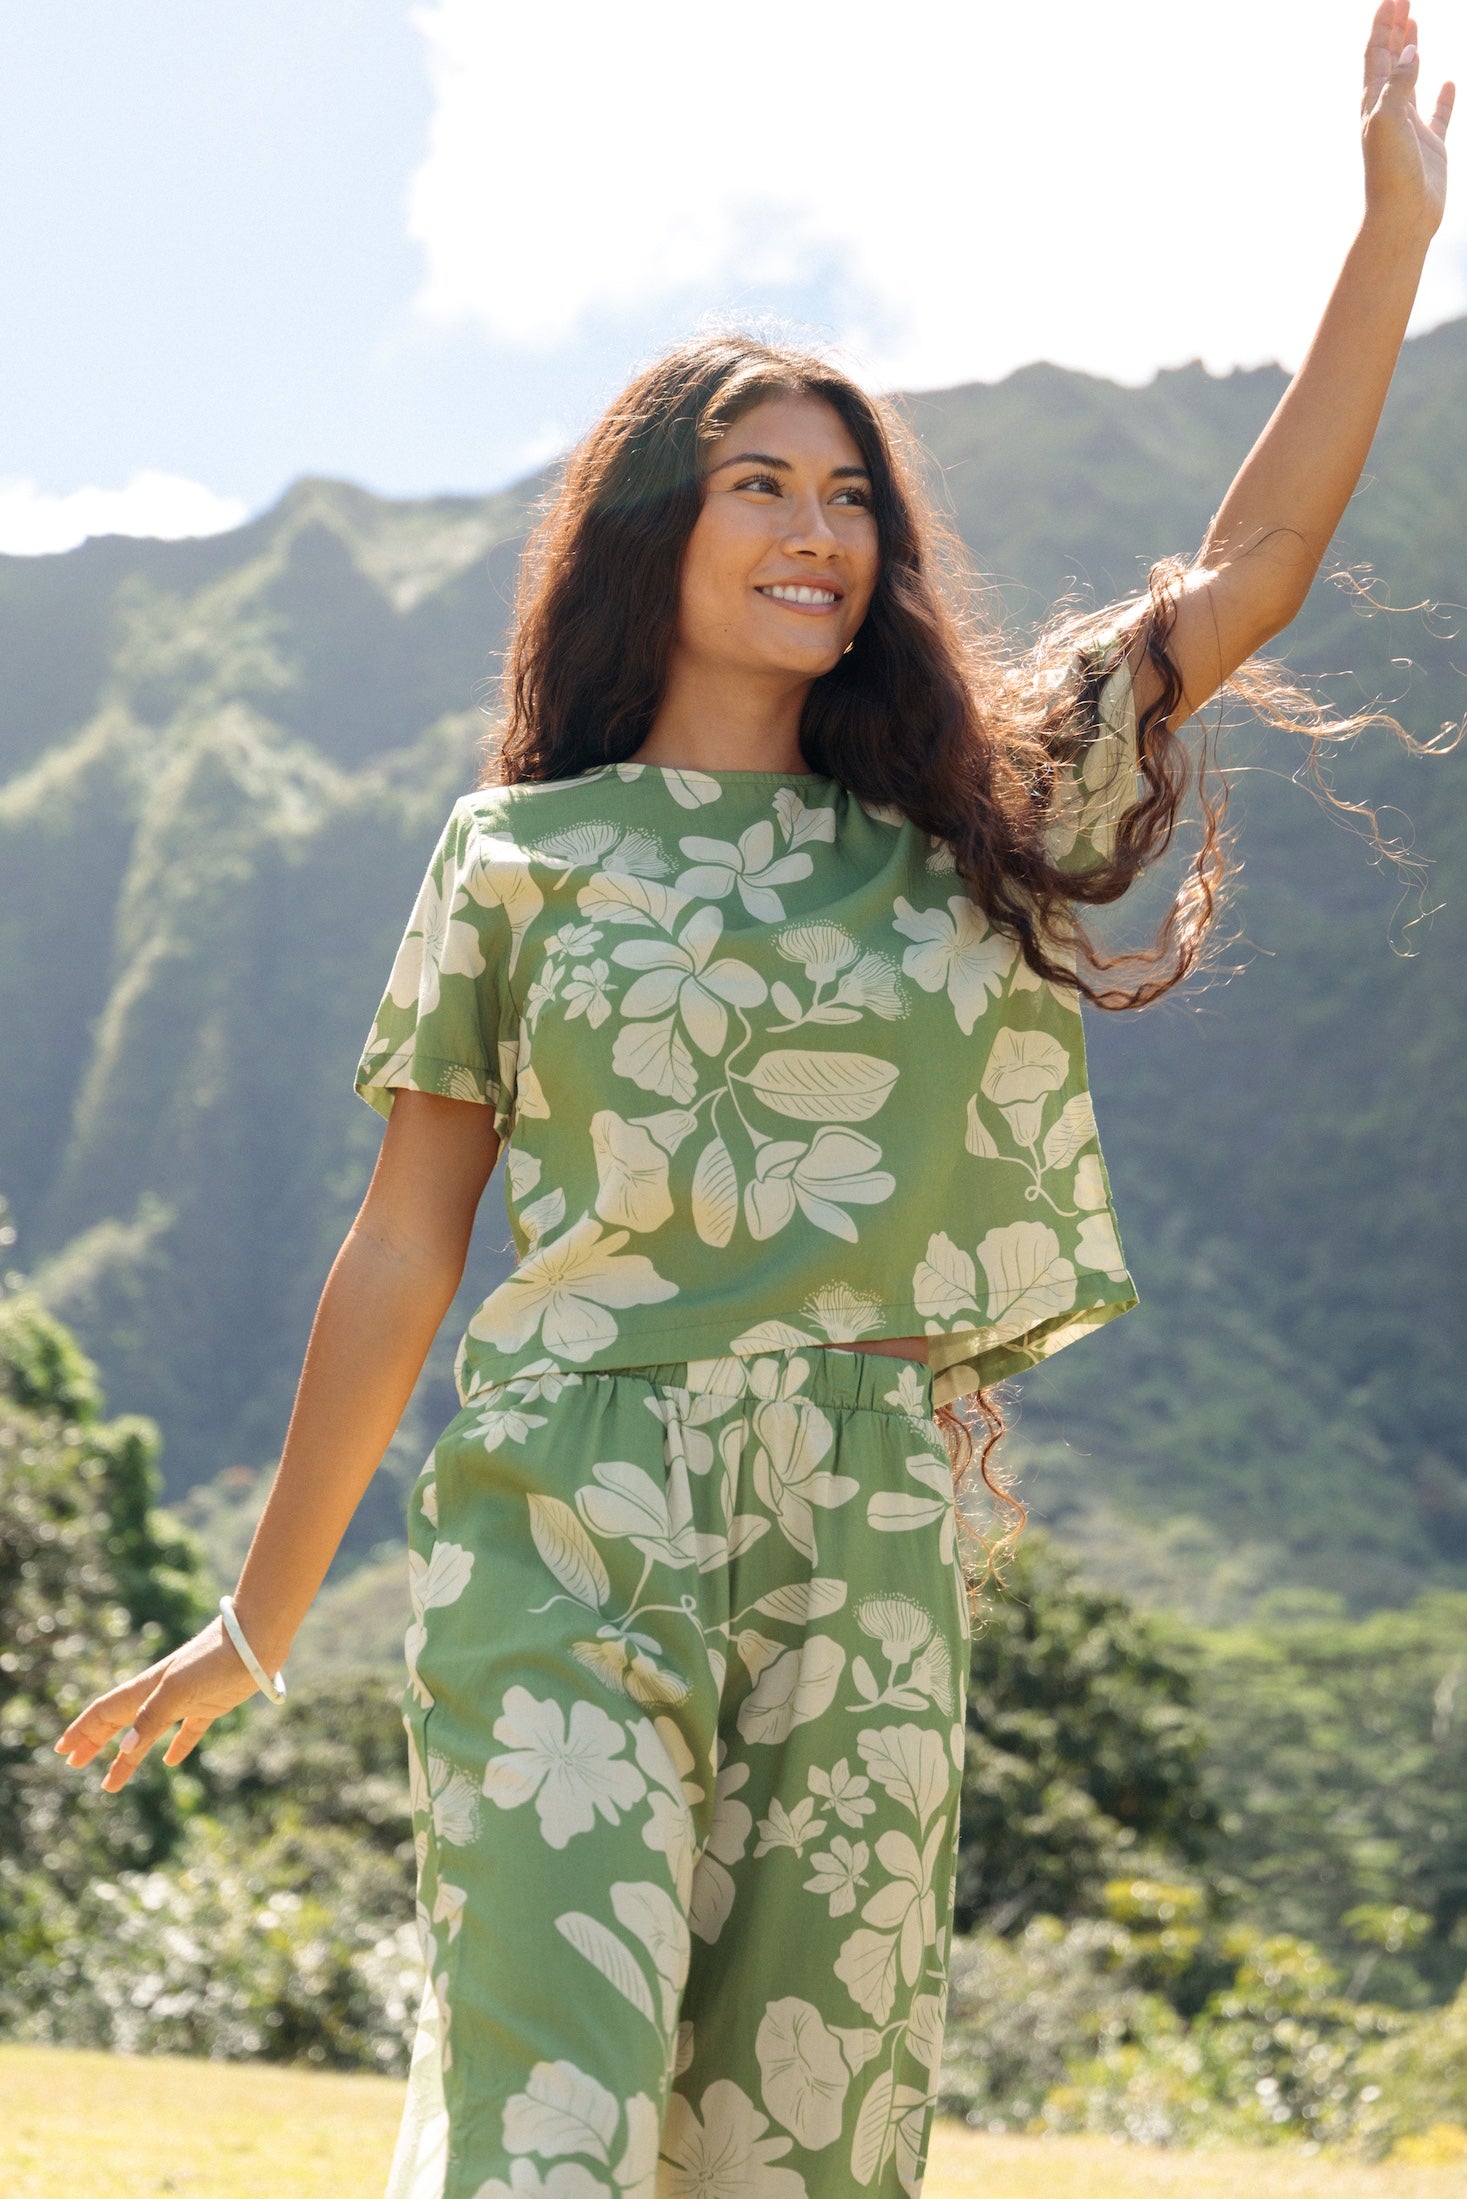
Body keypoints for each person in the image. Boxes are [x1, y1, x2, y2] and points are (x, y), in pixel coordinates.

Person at [56, 8, 1451, 2193]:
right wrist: (262, 1610)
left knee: (796, 2141)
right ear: (654, 534)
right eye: (759, 486)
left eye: (846, 497)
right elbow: (405, 1241)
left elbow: (1244, 576)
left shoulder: (961, 813)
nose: (815, 530)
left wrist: (1388, 235)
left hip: (864, 1513)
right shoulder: (518, 853)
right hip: (568, 1499)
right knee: (548, 2103)